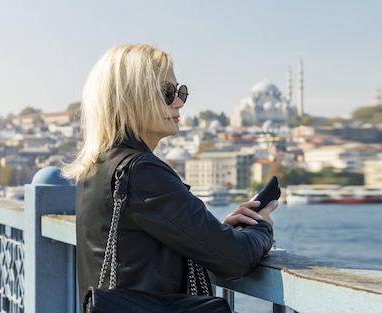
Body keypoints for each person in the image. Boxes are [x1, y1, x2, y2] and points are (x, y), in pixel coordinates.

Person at [61, 44, 277, 308]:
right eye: (167, 93)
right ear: (130, 98)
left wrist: (219, 232)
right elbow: (236, 259)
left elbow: (141, 250)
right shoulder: (140, 171)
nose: (179, 102)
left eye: (180, 92)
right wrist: (262, 227)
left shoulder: (97, 168)